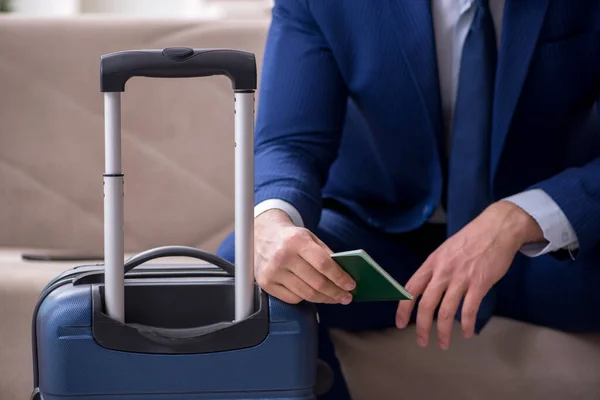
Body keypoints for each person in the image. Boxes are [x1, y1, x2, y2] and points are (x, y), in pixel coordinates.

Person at [217, 0, 600, 398]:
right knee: (246, 274)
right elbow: (290, 141)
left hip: (555, 250)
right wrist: (272, 222)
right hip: (384, 242)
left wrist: (519, 217)